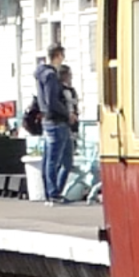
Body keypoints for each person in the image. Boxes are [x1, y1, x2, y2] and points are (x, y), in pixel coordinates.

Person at [33, 46, 71, 203]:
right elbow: (51, 101)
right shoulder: (50, 76)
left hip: (50, 120)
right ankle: (52, 193)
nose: (63, 58)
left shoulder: (43, 73)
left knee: (59, 158)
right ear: (57, 55)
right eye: (62, 55)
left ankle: (53, 192)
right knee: (53, 159)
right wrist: (67, 113)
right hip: (55, 120)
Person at [52, 65, 81, 201]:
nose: (71, 77)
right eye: (69, 74)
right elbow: (62, 107)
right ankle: (55, 191)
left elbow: (75, 106)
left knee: (66, 161)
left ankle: (57, 191)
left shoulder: (71, 90)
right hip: (62, 125)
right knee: (61, 161)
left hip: (70, 127)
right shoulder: (59, 90)